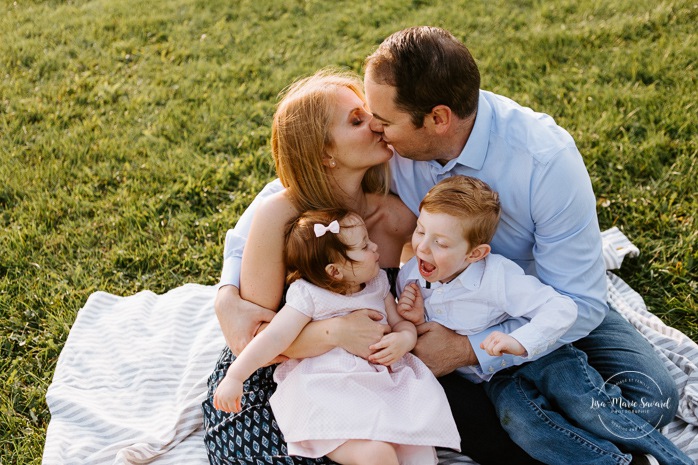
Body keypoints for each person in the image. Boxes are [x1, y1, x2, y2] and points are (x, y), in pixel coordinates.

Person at [396, 176, 692, 465]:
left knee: (588, 406)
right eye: (421, 231)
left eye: (440, 243)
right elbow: (427, 328)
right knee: (525, 426)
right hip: (495, 377)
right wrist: (413, 317)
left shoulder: (496, 277)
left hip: (544, 356)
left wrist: (520, 340)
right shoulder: (411, 275)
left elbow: (561, 308)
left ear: (475, 253)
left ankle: (674, 459)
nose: (422, 247)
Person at [202, 69, 418, 464]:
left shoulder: (397, 218)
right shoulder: (280, 217)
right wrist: (336, 331)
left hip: (362, 378)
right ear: (324, 154)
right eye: (356, 121)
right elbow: (255, 340)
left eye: (366, 112)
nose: (375, 123)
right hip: (277, 382)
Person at [214, 208, 460, 465]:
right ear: (334, 271)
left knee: (417, 452)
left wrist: (405, 339)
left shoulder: (377, 284)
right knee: (378, 455)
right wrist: (235, 375)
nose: (375, 247)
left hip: (382, 385)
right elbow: (273, 339)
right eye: (365, 246)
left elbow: (400, 324)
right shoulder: (308, 295)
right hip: (331, 388)